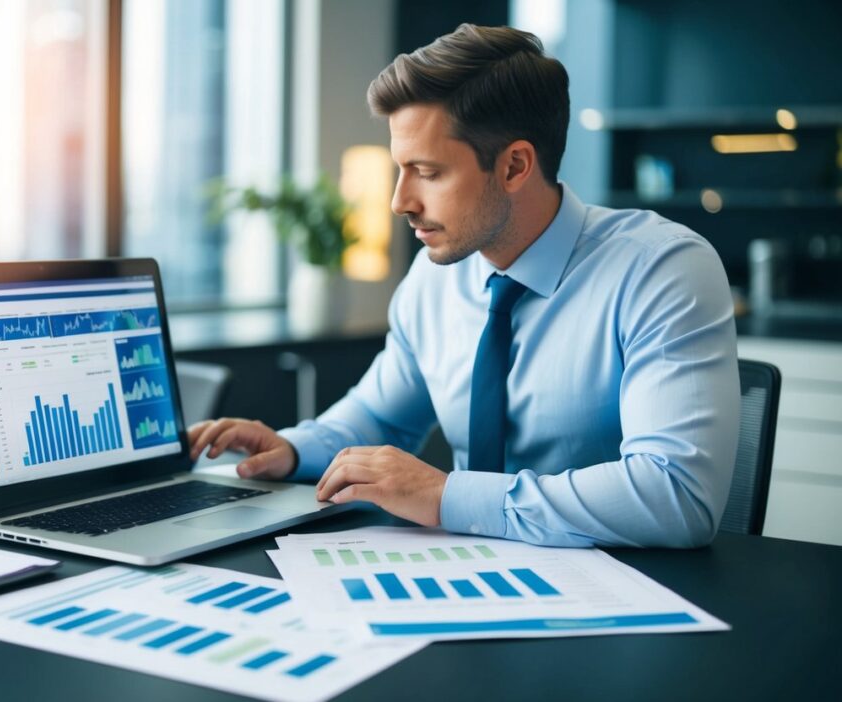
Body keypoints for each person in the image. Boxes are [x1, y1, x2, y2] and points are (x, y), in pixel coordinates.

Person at [189, 24, 740, 548]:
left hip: (625, 606)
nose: (399, 201)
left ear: (515, 166)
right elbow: (378, 417)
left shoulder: (660, 270)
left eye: (427, 172)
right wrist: (291, 448)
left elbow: (677, 496)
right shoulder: (434, 277)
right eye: (399, 169)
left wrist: (447, 496)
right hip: (467, 581)